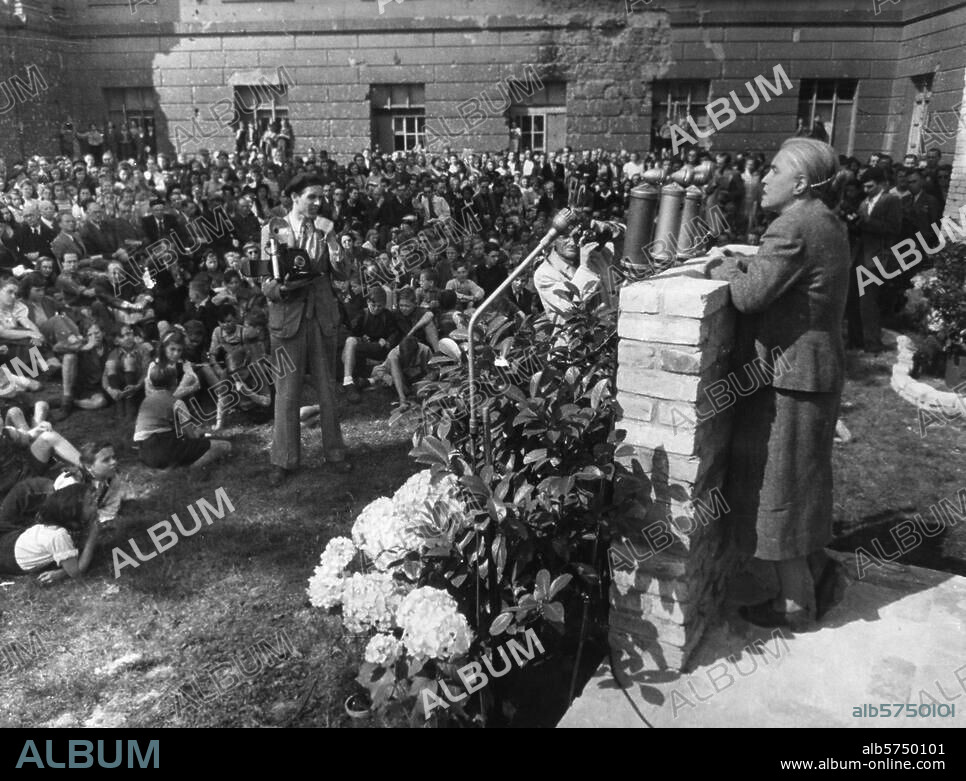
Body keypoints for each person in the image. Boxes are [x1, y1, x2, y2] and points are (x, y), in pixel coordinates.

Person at [706, 137, 849, 629]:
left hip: (795, 378)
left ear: (801, 183)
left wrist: (727, 266)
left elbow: (748, 297)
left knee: (781, 492)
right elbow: (782, 279)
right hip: (816, 371)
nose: (763, 178)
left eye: (773, 171)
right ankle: (816, 571)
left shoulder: (791, 226)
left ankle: (796, 605)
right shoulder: (824, 220)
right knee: (804, 485)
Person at [260, 173, 351, 486]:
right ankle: (283, 460)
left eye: (321, 197)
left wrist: (333, 239)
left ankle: (335, 453)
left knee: (327, 387)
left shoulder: (325, 229)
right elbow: (265, 281)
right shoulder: (273, 229)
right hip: (287, 319)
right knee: (286, 392)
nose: (318, 203)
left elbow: (342, 273)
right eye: (311, 197)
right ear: (294, 197)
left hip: (321, 316)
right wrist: (281, 290)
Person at [134, 362, 230, 471]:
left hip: (145, 454)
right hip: (164, 449)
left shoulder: (146, 402)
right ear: (175, 381)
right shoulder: (176, 402)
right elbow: (191, 436)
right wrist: (198, 435)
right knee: (225, 446)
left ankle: (166, 468)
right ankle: (184, 469)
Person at [0, 483, 101, 584]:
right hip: (9, 559)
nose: (95, 504)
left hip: (14, 539)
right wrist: (92, 537)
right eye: (90, 503)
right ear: (73, 513)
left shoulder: (51, 523)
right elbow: (76, 572)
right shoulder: (58, 536)